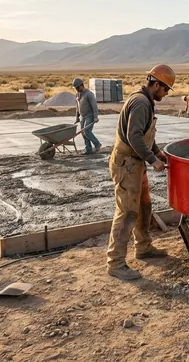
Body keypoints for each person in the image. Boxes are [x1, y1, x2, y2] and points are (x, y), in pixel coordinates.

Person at [106, 64, 174, 280]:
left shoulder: (146, 101)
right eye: (165, 90)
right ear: (156, 84)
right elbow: (134, 136)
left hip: (136, 162)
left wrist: (157, 151)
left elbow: (145, 135)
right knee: (127, 212)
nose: (165, 94)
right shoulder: (141, 102)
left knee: (144, 205)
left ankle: (143, 247)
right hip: (127, 164)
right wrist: (153, 160)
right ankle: (115, 263)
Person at [73, 78, 101, 154]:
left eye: (77, 87)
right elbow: (77, 107)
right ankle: (88, 149)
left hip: (90, 116)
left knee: (87, 131)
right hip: (83, 116)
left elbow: (94, 106)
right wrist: (77, 117)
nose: (76, 89)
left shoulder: (89, 94)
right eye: (75, 88)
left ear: (82, 85)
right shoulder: (77, 94)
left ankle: (97, 144)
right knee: (83, 133)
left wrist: (95, 116)